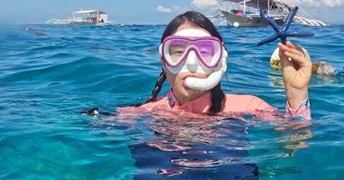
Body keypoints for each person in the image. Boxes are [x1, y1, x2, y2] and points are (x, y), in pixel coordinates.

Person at [124, 11, 312, 120]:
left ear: (221, 60)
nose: (191, 63)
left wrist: (297, 93)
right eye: (178, 52)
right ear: (164, 63)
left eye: (205, 52)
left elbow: (296, 141)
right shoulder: (143, 115)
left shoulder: (250, 107)